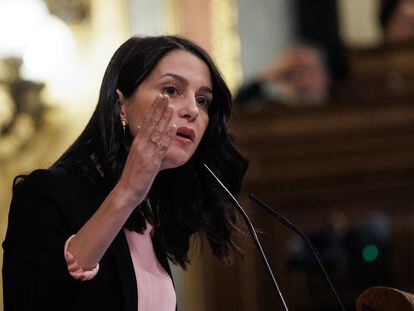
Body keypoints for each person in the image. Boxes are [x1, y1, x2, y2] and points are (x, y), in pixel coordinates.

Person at [2, 35, 248, 311]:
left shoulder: (150, 212)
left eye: (203, 100)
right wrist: (127, 193)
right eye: (171, 90)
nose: (192, 109)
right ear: (121, 104)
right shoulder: (48, 192)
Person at [234, 44, 330, 107]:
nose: (302, 78)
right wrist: (266, 75)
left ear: (324, 76)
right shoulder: (272, 110)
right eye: (293, 71)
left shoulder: (339, 109)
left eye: (309, 70)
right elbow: (235, 108)